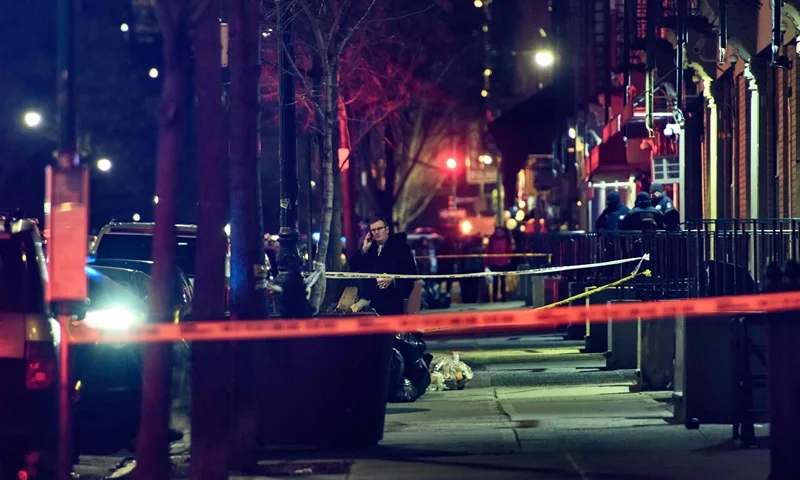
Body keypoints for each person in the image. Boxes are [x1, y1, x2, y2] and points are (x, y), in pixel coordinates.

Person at [350, 215, 418, 315]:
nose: (376, 232)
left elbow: (412, 274)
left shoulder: (401, 248)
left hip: (391, 301)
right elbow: (353, 266)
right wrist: (364, 250)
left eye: (379, 228)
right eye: (373, 230)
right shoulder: (369, 248)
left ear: (387, 229)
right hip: (369, 303)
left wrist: (392, 280)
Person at [485, 227, 513, 302]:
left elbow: (509, 250)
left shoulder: (506, 240)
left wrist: (508, 258)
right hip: (495, 263)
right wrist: (487, 262)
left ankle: (503, 297)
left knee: (503, 281)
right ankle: (495, 297)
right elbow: (489, 251)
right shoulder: (492, 240)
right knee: (495, 282)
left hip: (503, 263)